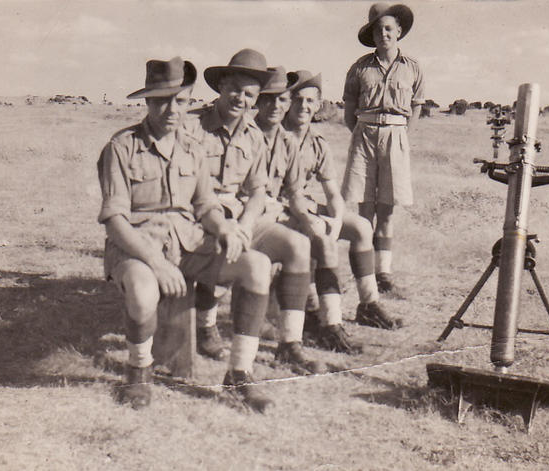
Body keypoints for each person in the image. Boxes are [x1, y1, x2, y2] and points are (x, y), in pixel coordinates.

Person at [97, 57, 273, 412]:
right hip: (137, 245)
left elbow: (205, 204)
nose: (171, 109)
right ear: (146, 101)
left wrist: (224, 227)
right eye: (161, 100)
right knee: (145, 292)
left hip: (188, 241)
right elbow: (115, 220)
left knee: (256, 266)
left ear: (190, 102)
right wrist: (156, 263)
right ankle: (139, 371)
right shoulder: (121, 147)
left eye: (180, 100)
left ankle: (239, 375)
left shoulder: (192, 148)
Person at [182, 50, 322, 374]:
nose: (240, 99)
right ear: (220, 88)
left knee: (298, 246)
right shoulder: (193, 125)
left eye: (250, 94)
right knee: (239, 255)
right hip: (196, 214)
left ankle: (290, 345)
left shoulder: (254, 135)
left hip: (238, 213)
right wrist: (224, 226)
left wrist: (245, 224)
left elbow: (258, 191)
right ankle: (206, 327)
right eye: (234, 90)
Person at [283, 70, 403, 356]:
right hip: (282, 207)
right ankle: (328, 322)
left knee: (362, 227)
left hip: (307, 205)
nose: (303, 107)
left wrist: (336, 221)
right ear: (287, 101)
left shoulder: (316, 141)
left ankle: (369, 305)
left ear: (319, 104)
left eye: (310, 101)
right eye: (297, 100)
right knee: (323, 238)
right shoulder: (277, 136)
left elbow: (333, 193)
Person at [341, 3, 425, 294]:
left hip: (396, 135)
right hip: (364, 134)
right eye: (378, 29)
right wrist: (364, 132)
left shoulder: (412, 68)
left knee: (387, 209)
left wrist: (402, 137)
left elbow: (416, 107)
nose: (383, 34)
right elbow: (349, 109)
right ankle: (362, 272)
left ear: (399, 31)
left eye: (389, 28)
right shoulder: (360, 67)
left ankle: (383, 273)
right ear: (372, 34)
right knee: (364, 208)